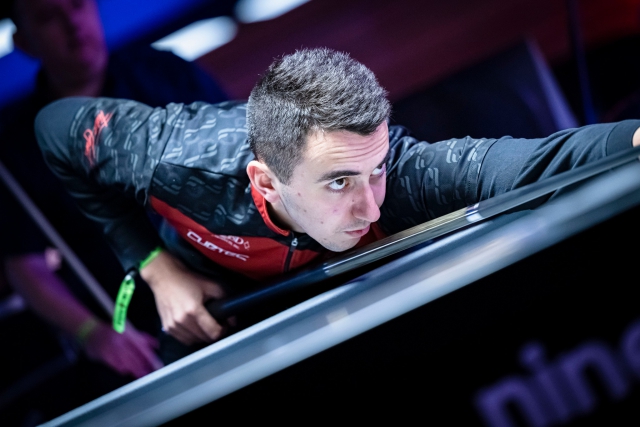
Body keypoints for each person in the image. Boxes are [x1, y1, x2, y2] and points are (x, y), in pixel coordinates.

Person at [33, 48, 640, 360]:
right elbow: (54, 127)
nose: (371, 207)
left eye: (376, 170)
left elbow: (530, 162)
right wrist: (153, 267)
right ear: (266, 182)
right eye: (339, 182)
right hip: (217, 307)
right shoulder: (173, 155)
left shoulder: (401, 178)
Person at [0, 0, 229, 378]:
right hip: (144, 342)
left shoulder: (165, 72)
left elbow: (245, 156)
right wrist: (92, 334)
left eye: (78, 4)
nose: (72, 24)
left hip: (238, 285)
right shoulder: (17, 149)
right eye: (48, 17)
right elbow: (26, 265)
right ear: (25, 42)